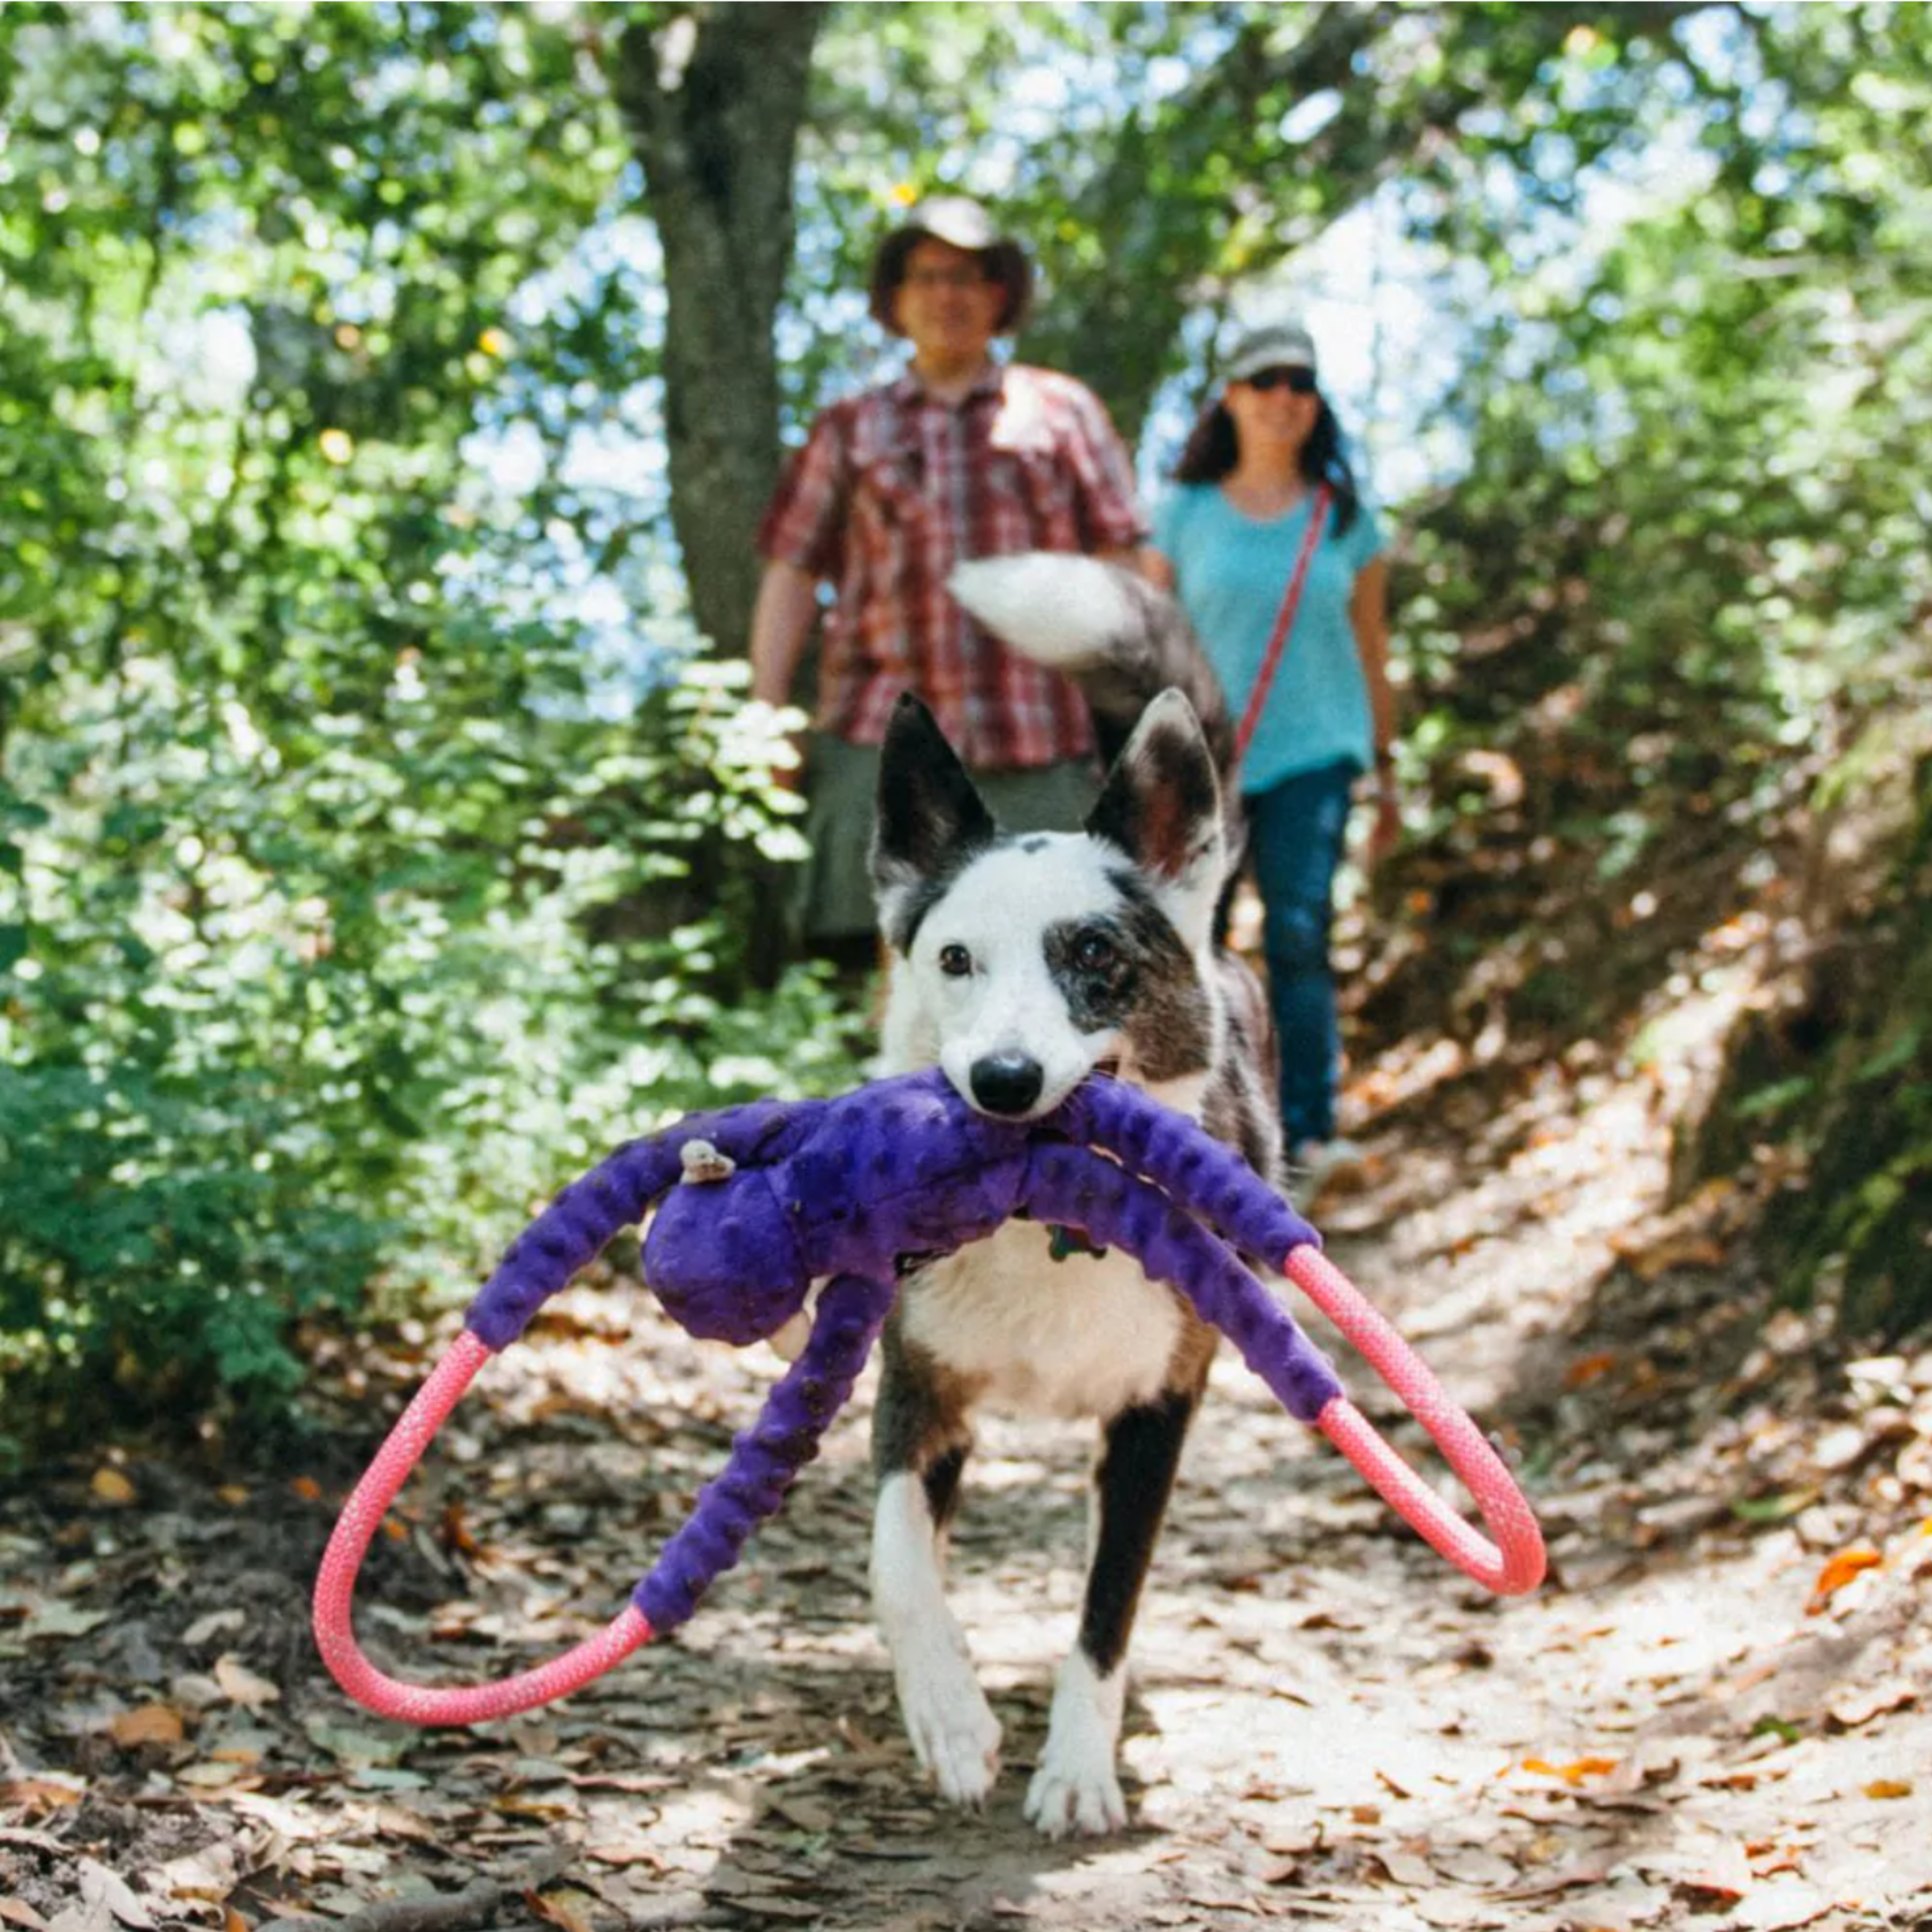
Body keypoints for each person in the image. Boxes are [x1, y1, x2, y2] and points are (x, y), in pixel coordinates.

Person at [749, 195, 1147, 971]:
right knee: (892, 972)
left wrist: (1133, 707)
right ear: (895, 300)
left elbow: (1124, 563)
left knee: (1058, 971)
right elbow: (793, 569)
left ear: (999, 294)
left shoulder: (1060, 412)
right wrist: (766, 714)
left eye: (967, 276)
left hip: (1040, 738)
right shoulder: (848, 428)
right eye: (926, 277)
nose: (947, 295)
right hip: (881, 737)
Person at [1147, 321, 1399, 1176]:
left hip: (1316, 754)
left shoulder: (1348, 521)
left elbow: (1371, 650)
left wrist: (1389, 772)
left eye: (1300, 382)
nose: (1283, 397)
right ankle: (1194, 1127)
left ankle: (1306, 1135)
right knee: (1190, 940)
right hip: (1206, 765)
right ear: (1231, 398)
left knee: (1298, 933)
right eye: (1264, 381)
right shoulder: (1181, 514)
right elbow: (1145, 648)